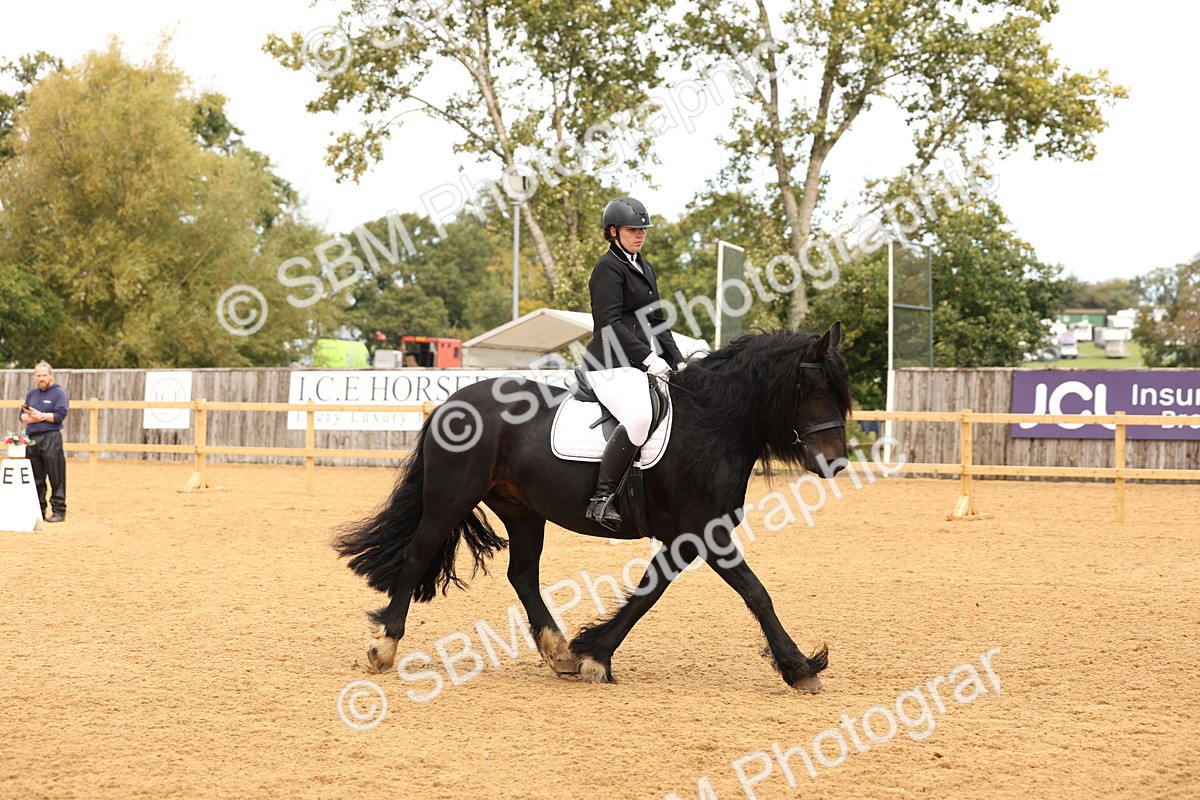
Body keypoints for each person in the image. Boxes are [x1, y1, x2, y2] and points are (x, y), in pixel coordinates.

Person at [581, 196, 686, 530]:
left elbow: (658, 322)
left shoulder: (645, 266)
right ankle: (602, 498)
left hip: (637, 364)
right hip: (608, 364)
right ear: (613, 231)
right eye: (632, 230)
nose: (640, 235)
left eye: (643, 230)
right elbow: (609, 324)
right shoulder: (607, 268)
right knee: (640, 416)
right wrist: (648, 357)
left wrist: (678, 362)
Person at [19, 361, 69, 523]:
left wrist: (40, 415)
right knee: (36, 477)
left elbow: (59, 415)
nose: (41, 378)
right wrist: (37, 417)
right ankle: (38, 510)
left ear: (51, 376)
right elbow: (22, 417)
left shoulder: (58, 393)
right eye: (38, 375)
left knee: (56, 475)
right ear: (35, 376)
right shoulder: (32, 394)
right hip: (32, 439)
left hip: (51, 437)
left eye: (44, 375)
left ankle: (59, 511)